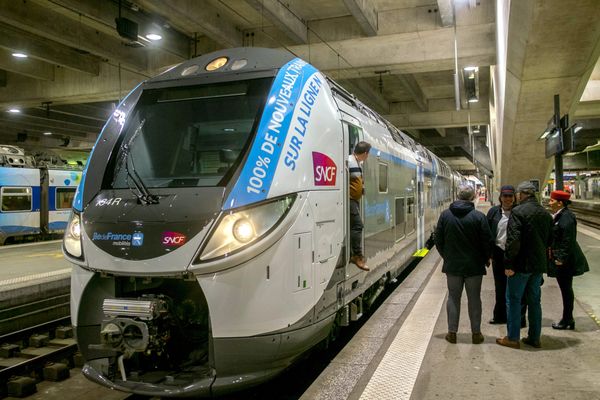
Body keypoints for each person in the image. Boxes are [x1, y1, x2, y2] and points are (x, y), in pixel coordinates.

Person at [497, 181, 552, 349]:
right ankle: (535, 337)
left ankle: (513, 338)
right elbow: (550, 240)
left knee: (513, 300)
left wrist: (508, 264)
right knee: (535, 301)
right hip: (538, 266)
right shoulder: (545, 213)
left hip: (520, 266)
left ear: (521, 194)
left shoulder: (518, 212)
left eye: (518, 194)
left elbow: (513, 241)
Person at [435, 184, 493, 344]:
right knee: (474, 299)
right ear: (472, 197)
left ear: (458, 196)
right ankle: (476, 334)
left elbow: (438, 238)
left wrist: (446, 255)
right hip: (474, 266)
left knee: (453, 298)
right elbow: (487, 241)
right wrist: (486, 257)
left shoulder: (445, 215)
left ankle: (452, 333)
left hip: (453, 266)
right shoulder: (479, 216)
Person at [547, 190, 589, 330]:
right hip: (564, 259)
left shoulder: (567, 218)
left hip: (567, 261)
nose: (549, 202)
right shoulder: (561, 215)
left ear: (560, 203)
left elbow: (568, 240)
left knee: (566, 289)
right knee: (565, 289)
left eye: (552, 200)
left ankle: (567, 319)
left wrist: (560, 258)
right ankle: (568, 319)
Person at [486, 185, 517, 324]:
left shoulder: (518, 212)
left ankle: (516, 318)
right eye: (505, 196)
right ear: (500, 198)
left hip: (514, 254)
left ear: (514, 197)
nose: (508, 199)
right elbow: (487, 232)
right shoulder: (493, 212)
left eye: (510, 196)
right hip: (498, 253)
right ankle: (499, 316)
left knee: (515, 288)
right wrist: (488, 253)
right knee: (500, 287)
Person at [348, 141, 371, 271]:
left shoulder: (357, 162)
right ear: (365, 153)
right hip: (350, 200)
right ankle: (357, 256)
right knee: (358, 225)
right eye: (368, 154)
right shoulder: (349, 161)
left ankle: (355, 255)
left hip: (354, 200)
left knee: (356, 225)